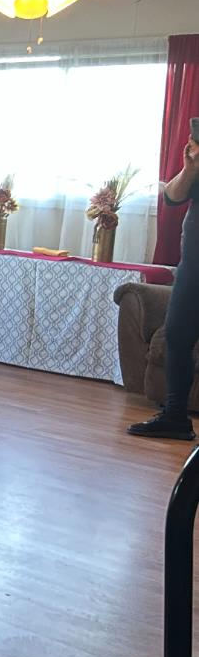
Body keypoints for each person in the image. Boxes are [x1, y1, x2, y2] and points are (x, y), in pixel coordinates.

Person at [130, 138, 199, 440]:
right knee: (177, 334)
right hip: (194, 265)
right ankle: (175, 418)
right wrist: (190, 168)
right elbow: (172, 197)